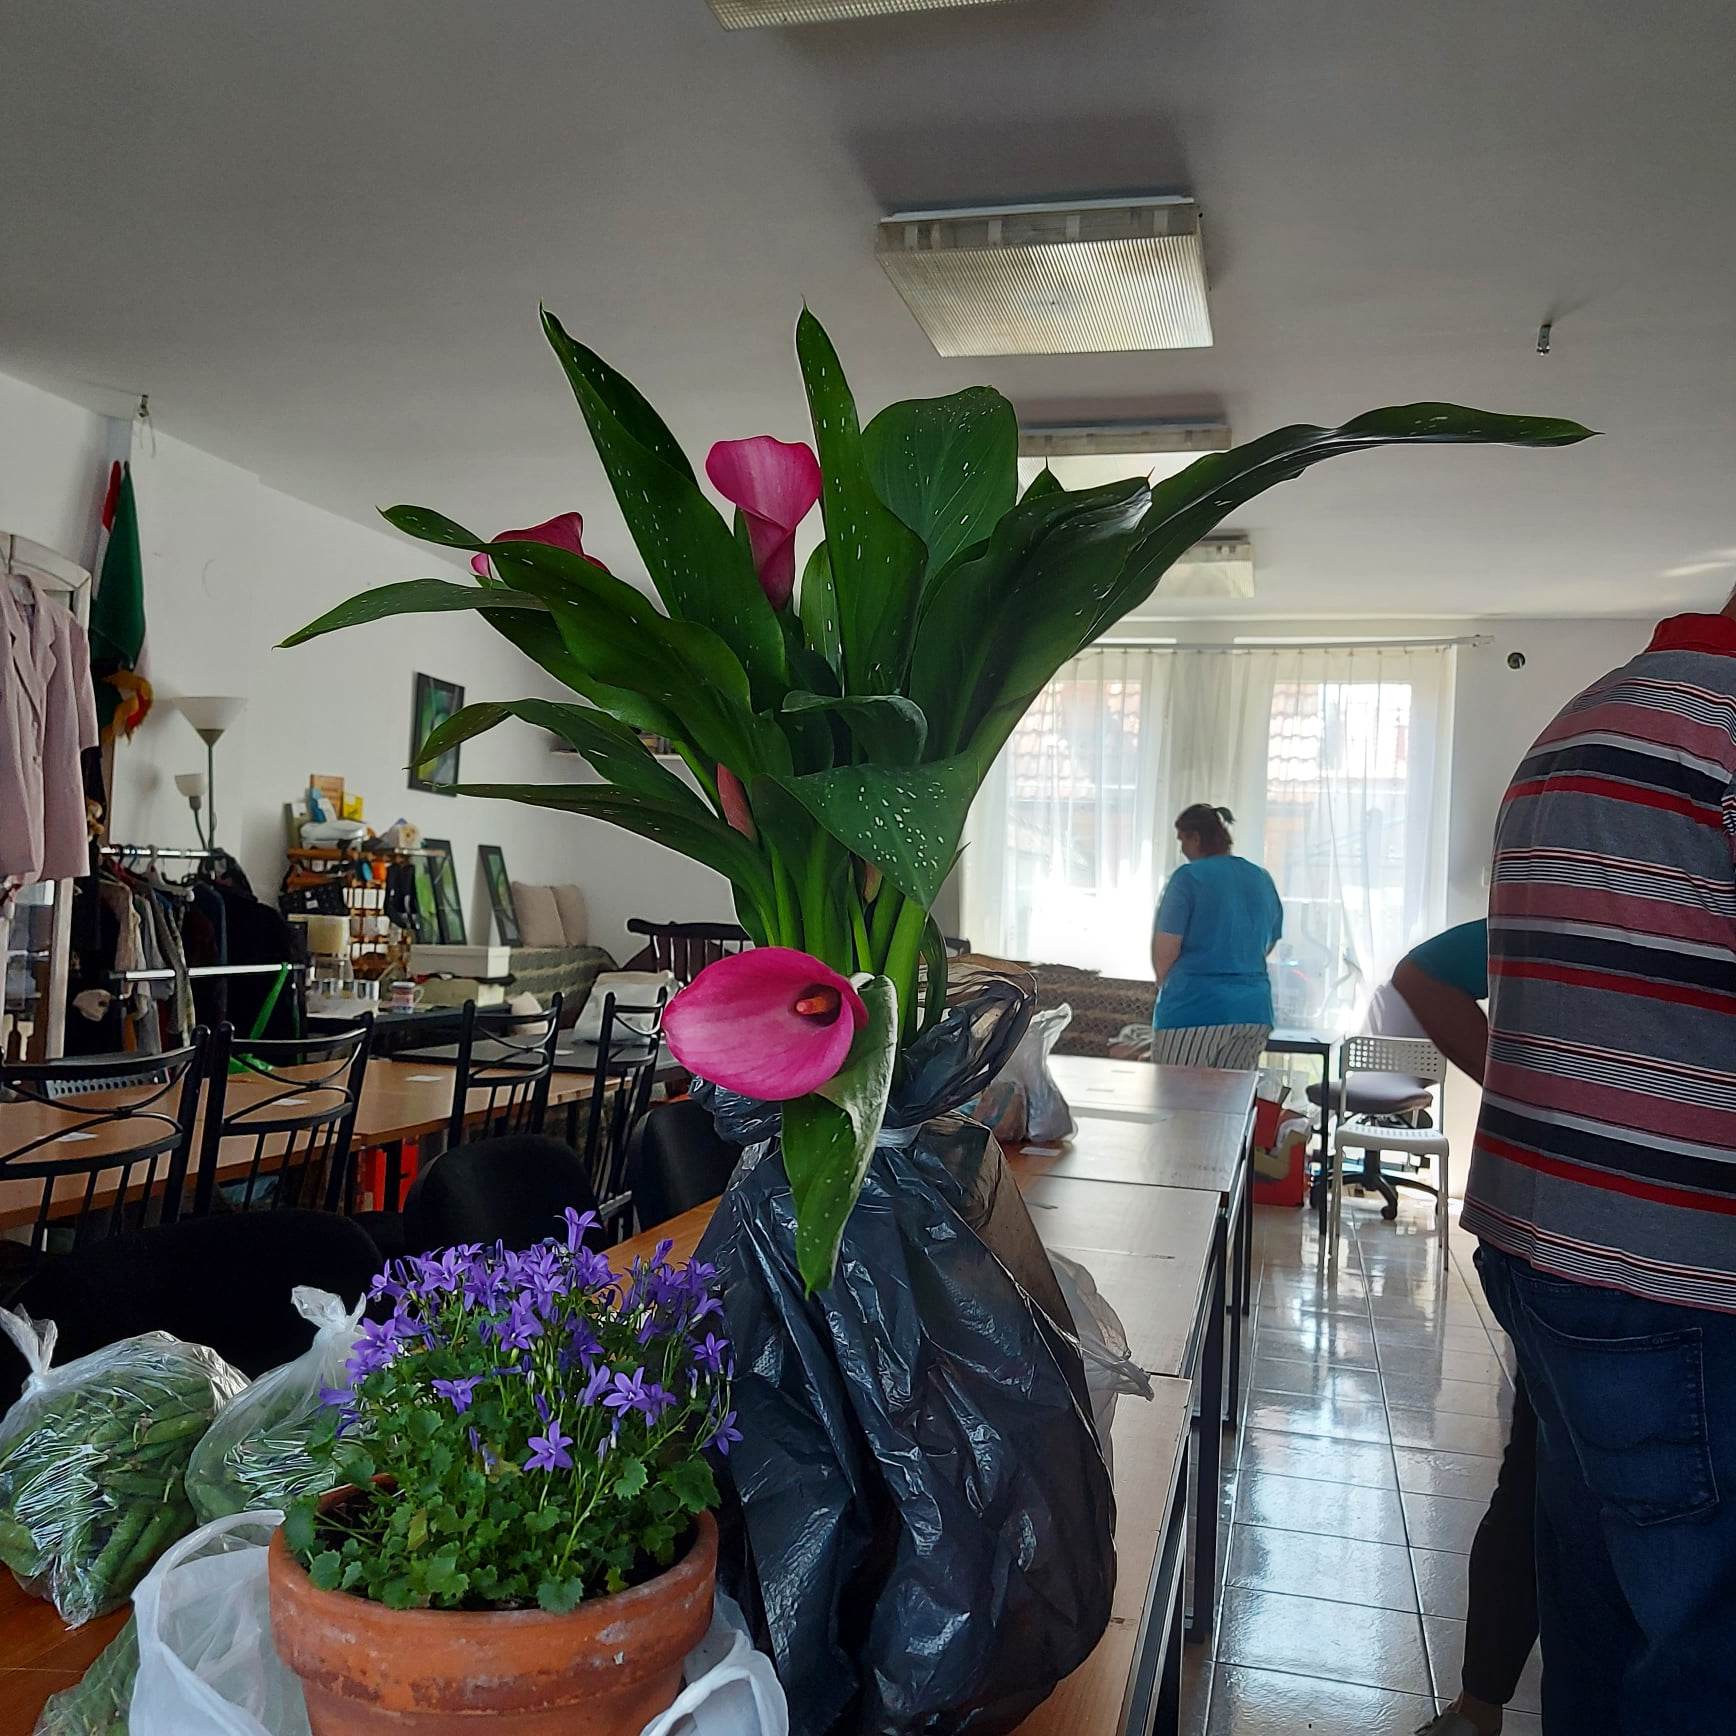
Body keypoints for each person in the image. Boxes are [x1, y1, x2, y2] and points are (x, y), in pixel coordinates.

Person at [1461, 601, 1736, 1735]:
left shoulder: (1594, 715)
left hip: (1556, 1246)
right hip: (1677, 1276)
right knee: (1700, 1645)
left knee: (1598, 1615)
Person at [1383, 922, 1537, 1736]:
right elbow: (1423, 974)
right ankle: (1480, 1707)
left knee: (1541, 1480)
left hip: (1543, 1225)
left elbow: (1421, 972)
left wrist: (1520, 1097)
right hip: (1612, 1244)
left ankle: (1479, 1711)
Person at [1149, 803, 1283, 1068]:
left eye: (1182, 840)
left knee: (1177, 1093)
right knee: (1231, 1095)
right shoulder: (1261, 878)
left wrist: (1166, 982)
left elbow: (1166, 950)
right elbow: (1269, 941)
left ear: (1196, 838)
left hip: (1194, 1010)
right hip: (1253, 1011)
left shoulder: (1187, 878)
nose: (1182, 849)